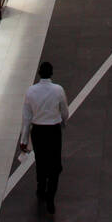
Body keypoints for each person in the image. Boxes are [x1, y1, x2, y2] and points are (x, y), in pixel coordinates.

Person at [20, 60, 69, 213]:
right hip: (53, 131)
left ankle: (41, 188)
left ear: (39, 73)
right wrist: (62, 122)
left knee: (40, 161)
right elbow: (64, 111)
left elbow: (26, 118)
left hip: (38, 132)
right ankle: (50, 197)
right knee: (55, 165)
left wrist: (24, 140)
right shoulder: (58, 90)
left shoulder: (30, 91)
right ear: (51, 73)